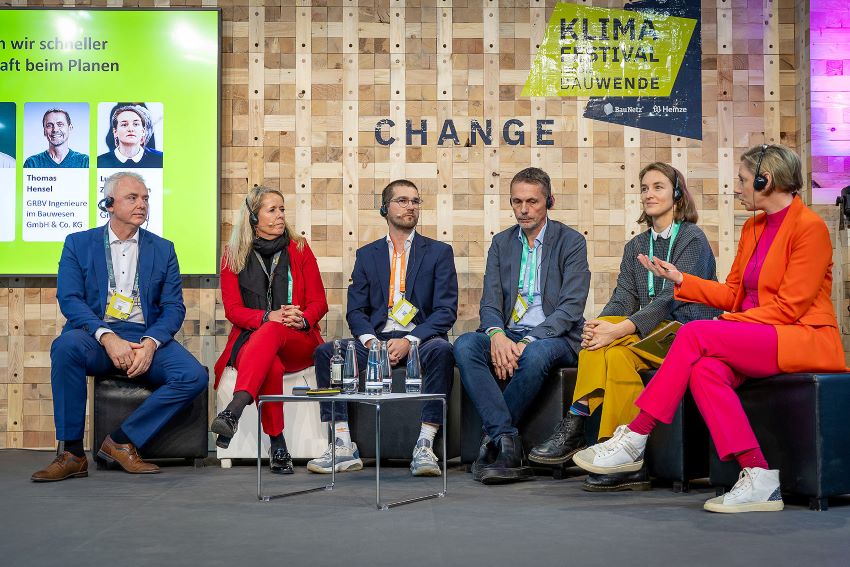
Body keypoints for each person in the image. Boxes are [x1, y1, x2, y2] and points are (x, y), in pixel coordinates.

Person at [573, 144, 847, 513]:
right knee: (704, 371)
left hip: (802, 337)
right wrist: (681, 278)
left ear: (768, 181)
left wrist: (724, 324)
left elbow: (789, 308)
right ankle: (758, 475)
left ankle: (635, 435)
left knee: (694, 333)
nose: (737, 187)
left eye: (744, 180)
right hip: (758, 335)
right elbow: (734, 293)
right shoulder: (753, 228)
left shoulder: (809, 228)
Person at [528, 163, 721, 491]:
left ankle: (577, 418)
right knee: (602, 344)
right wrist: (600, 324)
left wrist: (621, 329)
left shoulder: (692, 238)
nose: (649, 194)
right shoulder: (636, 247)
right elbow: (623, 298)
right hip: (648, 334)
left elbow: (670, 300)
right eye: (644, 188)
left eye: (658, 187)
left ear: (677, 194)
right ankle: (616, 452)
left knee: (612, 338)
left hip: (686, 332)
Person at [31, 171, 207, 482]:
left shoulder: (163, 248)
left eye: (146, 199)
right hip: (96, 337)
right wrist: (107, 336)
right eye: (133, 198)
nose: (142, 204)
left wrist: (151, 343)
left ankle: (121, 441)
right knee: (65, 347)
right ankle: (72, 453)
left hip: (143, 337)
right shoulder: (78, 244)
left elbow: (173, 307)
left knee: (192, 376)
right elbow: (70, 299)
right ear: (109, 204)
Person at [308, 179, 458, 477]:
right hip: (375, 342)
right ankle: (342, 444)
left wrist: (411, 340)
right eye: (402, 200)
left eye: (415, 201)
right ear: (384, 208)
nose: (410, 206)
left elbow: (445, 311)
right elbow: (356, 310)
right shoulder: (368, 255)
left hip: (421, 340)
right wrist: (370, 343)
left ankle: (425, 444)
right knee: (327, 353)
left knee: (443, 350)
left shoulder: (438, 252)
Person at [454, 167, 590, 485]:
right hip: (510, 331)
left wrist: (528, 339)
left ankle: (493, 440)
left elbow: (570, 308)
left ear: (549, 202)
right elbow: (489, 303)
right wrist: (498, 335)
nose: (524, 209)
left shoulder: (571, 242)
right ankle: (506, 438)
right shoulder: (502, 243)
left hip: (555, 336)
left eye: (532, 201)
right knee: (463, 345)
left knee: (536, 354)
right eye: (517, 202)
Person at [211, 186, 328, 474]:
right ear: (253, 217)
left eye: (282, 209)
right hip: (252, 342)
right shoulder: (233, 255)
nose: (280, 215)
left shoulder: (299, 248)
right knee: (270, 361)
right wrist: (268, 317)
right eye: (272, 210)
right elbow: (233, 311)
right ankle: (278, 445)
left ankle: (234, 410)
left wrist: (301, 319)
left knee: (273, 332)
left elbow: (319, 302)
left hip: (297, 339)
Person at [97, 105, 163, 168]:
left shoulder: (161, 159)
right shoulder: (100, 162)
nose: (130, 129)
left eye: (136, 124)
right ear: (115, 132)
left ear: (143, 131)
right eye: (124, 125)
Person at [23, 108, 89, 168]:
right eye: (49, 126)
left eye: (60, 124)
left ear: (70, 128)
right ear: (44, 131)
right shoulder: (32, 164)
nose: (55, 129)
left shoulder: (84, 162)